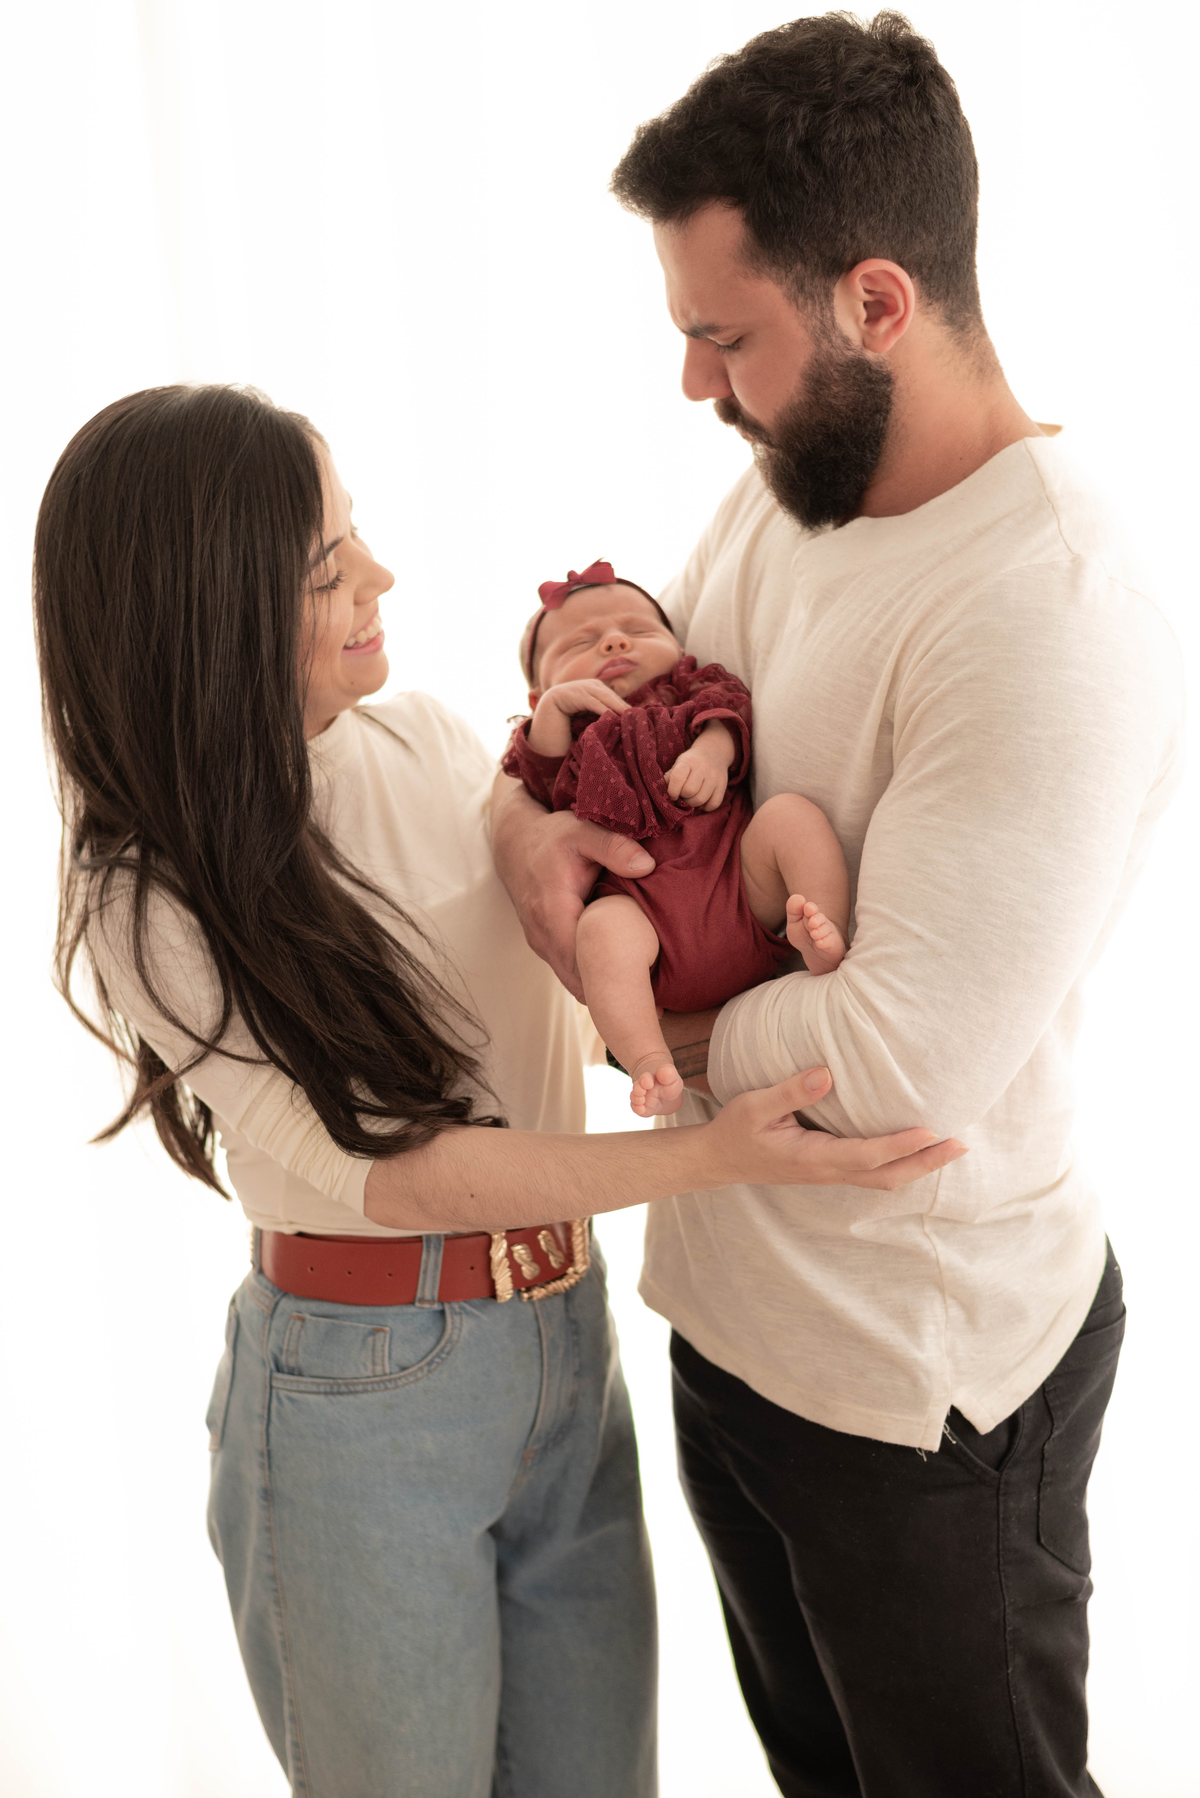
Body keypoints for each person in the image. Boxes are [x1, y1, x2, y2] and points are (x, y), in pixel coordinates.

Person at [32, 382, 963, 1798]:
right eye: (327, 566)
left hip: (559, 1344)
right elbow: (400, 1174)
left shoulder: (419, 742)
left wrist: (542, 796)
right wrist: (715, 1154)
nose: (382, 580)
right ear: (209, 607)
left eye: (360, 540)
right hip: (360, 1396)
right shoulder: (148, 895)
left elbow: (555, 894)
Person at [491, 13, 1183, 1797]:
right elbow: (623, 771)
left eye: (726, 337)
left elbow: (891, 1062)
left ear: (876, 301)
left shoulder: (1054, 604)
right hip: (740, 1322)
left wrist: (642, 999)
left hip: (923, 1394)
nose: (695, 387)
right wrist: (537, 833)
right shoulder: (794, 490)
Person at [504, 559, 849, 1115]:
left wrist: (713, 749)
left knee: (790, 817)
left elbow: (728, 707)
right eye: (580, 644)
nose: (615, 643)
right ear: (538, 690)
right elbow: (536, 781)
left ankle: (816, 929)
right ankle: (646, 1056)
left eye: (638, 631)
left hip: (739, 888)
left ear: (677, 645)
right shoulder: (565, 738)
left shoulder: (688, 689)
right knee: (600, 932)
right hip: (648, 931)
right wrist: (552, 712)